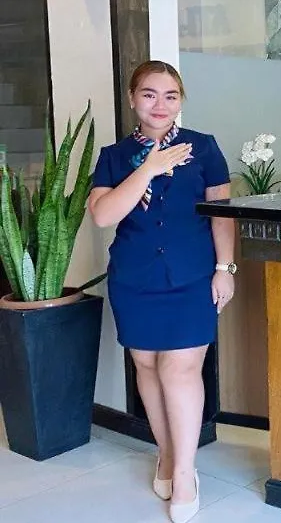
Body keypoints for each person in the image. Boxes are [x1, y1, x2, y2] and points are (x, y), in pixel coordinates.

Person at [88, 61, 236, 523]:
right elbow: (103, 215)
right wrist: (149, 168)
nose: (160, 104)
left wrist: (225, 268)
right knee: (148, 366)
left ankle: (186, 473)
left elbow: (222, 213)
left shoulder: (204, 147)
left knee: (180, 369)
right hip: (134, 278)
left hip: (192, 276)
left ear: (180, 101)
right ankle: (167, 453)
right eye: (149, 94)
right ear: (132, 98)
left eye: (170, 95)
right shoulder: (114, 156)